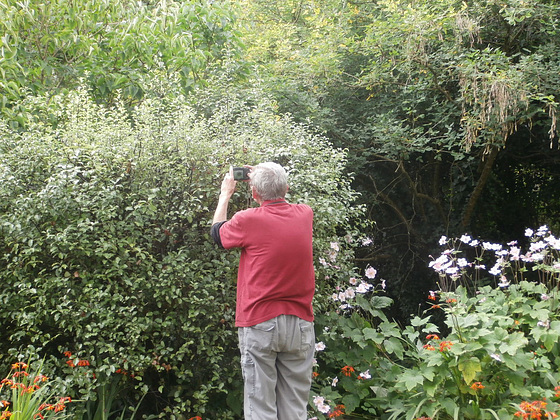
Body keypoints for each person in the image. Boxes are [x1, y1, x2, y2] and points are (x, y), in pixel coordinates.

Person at [210, 162, 316, 420]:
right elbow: (275, 191)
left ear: (254, 193)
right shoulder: (305, 214)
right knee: (295, 409)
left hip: (260, 324)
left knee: (261, 409)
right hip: (300, 325)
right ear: (287, 188)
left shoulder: (248, 220)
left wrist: (225, 194)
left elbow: (217, 234)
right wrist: (264, 173)